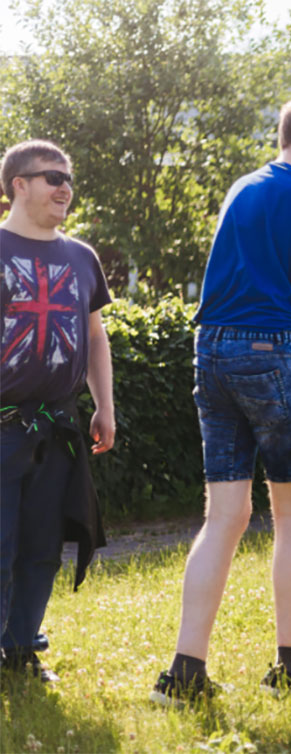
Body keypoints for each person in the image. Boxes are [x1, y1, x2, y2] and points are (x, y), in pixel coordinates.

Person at [151, 92, 291, 707]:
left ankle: (183, 672)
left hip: (212, 352)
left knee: (225, 517)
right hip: (270, 353)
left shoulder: (244, 187)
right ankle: (287, 665)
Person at [0, 140, 115, 683]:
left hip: (59, 425)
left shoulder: (82, 256)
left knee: (42, 545)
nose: (64, 186)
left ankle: (23, 648)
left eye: (68, 177)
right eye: (51, 176)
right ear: (18, 185)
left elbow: (95, 334)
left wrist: (104, 406)